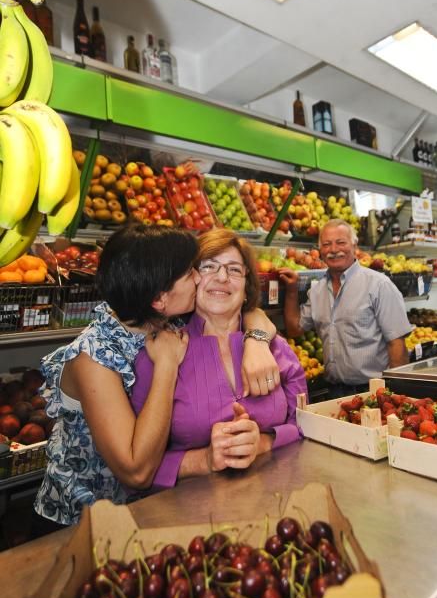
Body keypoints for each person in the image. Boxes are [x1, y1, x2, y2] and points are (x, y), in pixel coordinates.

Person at [33, 223, 279, 531]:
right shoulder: (93, 356)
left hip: (149, 513)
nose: (200, 278)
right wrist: (166, 366)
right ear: (160, 298)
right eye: (190, 272)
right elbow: (136, 472)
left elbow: (247, 309)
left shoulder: (159, 317)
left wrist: (255, 339)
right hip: (83, 526)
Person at [131, 228, 306, 487]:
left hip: (278, 498)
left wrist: (265, 442)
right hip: (189, 515)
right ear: (191, 280)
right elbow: (138, 471)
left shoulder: (276, 348)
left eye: (235, 269)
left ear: (247, 288)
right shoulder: (159, 356)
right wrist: (205, 460)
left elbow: (306, 424)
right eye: (209, 267)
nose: (222, 277)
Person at [279, 219, 411, 397]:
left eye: (341, 242)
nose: (334, 249)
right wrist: (292, 291)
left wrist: (394, 395)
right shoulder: (317, 292)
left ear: (354, 245)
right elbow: (295, 329)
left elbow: (397, 344)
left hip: (373, 390)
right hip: (334, 391)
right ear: (320, 250)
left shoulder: (378, 285)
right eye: (327, 244)